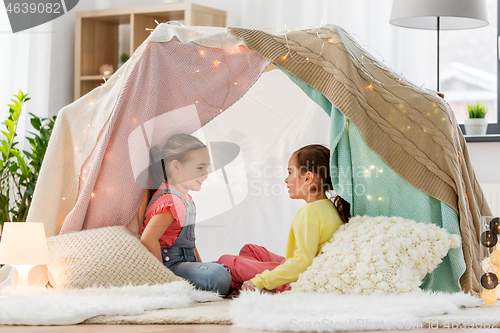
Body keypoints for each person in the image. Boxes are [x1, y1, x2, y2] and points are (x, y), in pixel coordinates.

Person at [218, 144, 350, 293]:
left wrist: (260, 281)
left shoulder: (310, 212)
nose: (286, 180)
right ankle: (250, 277)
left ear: (307, 178)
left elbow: (302, 263)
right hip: (299, 267)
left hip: (298, 279)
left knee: (226, 260)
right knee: (250, 250)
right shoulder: (328, 207)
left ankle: (265, 282)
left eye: (290, 172)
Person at [140, 133, 231, 296]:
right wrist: (162, 279)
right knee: (219, 276)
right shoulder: (170, 201)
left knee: (230, 264)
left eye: (206, 168)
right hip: (171, 266)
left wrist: (201, 266)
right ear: (176, 166)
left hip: (186, 263)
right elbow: (148, 238)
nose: (206, 174)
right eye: (199, 167)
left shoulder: (184, 199)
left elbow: (190, 244)